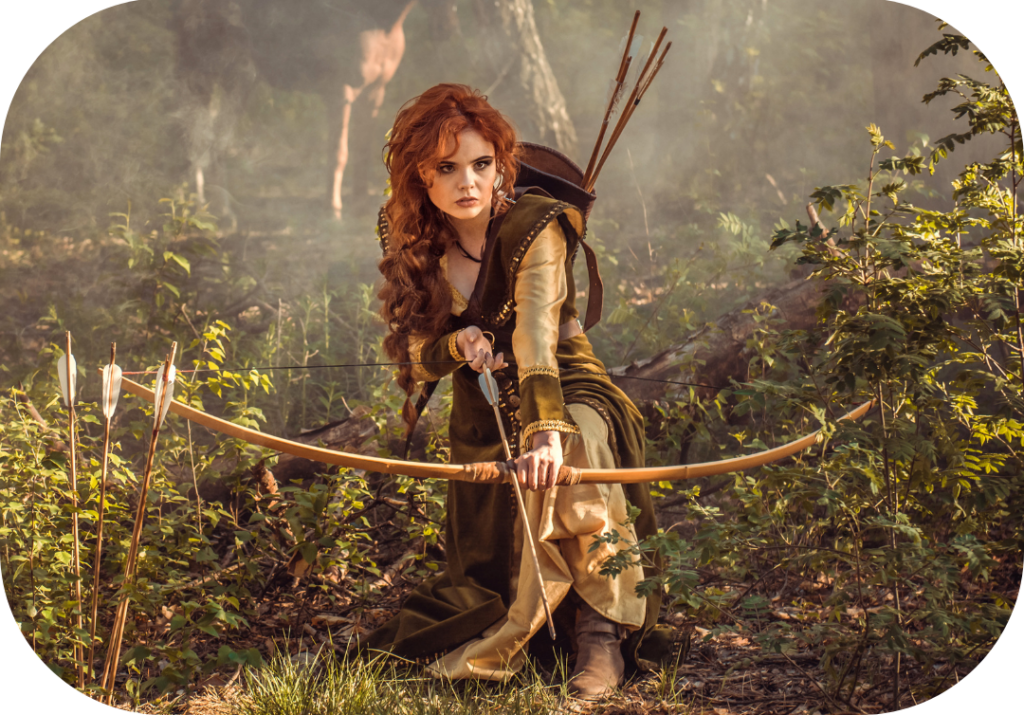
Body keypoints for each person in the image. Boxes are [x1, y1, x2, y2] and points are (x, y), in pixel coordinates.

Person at [366, 83, 667, 699]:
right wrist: (459, 344)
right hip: (481, 415)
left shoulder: (536, 226)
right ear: (420, 178)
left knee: (578, 446)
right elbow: (417, 358)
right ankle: (529, 628)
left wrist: (546, 434)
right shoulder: (416, 241)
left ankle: (599, 636)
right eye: (445, 169)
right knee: (478, 591)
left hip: (568, 385)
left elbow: (534, 335)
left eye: (481, 164)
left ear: (502, 164)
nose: (467, 182)